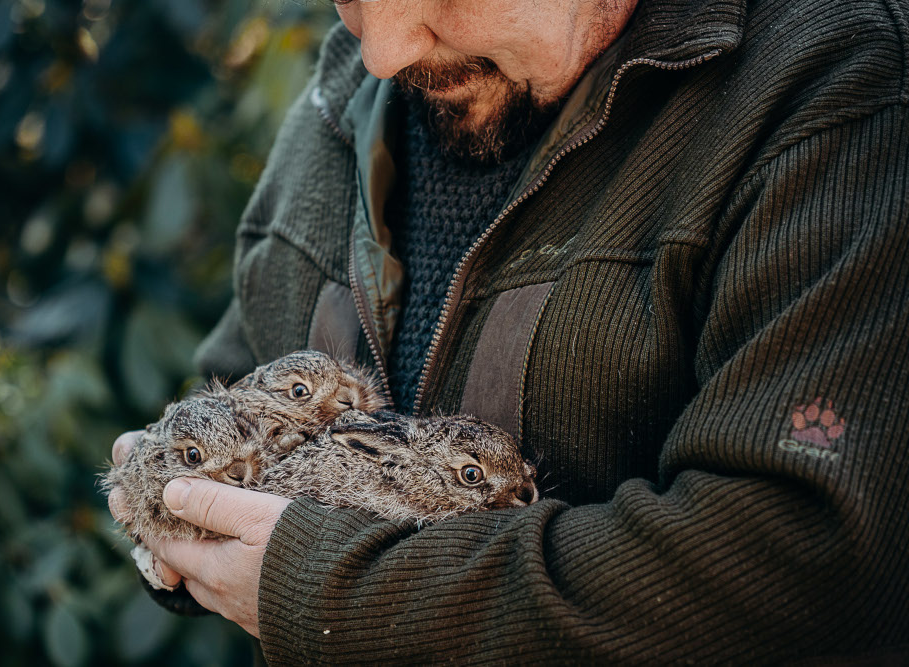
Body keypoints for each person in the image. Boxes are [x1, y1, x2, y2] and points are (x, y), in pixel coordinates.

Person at [108, 0, 909, 661]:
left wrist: (335, 592)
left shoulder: (833, 87)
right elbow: (237, 386)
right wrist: (179, 522)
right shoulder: (344, 94)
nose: (384, 49)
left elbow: (806, 561)